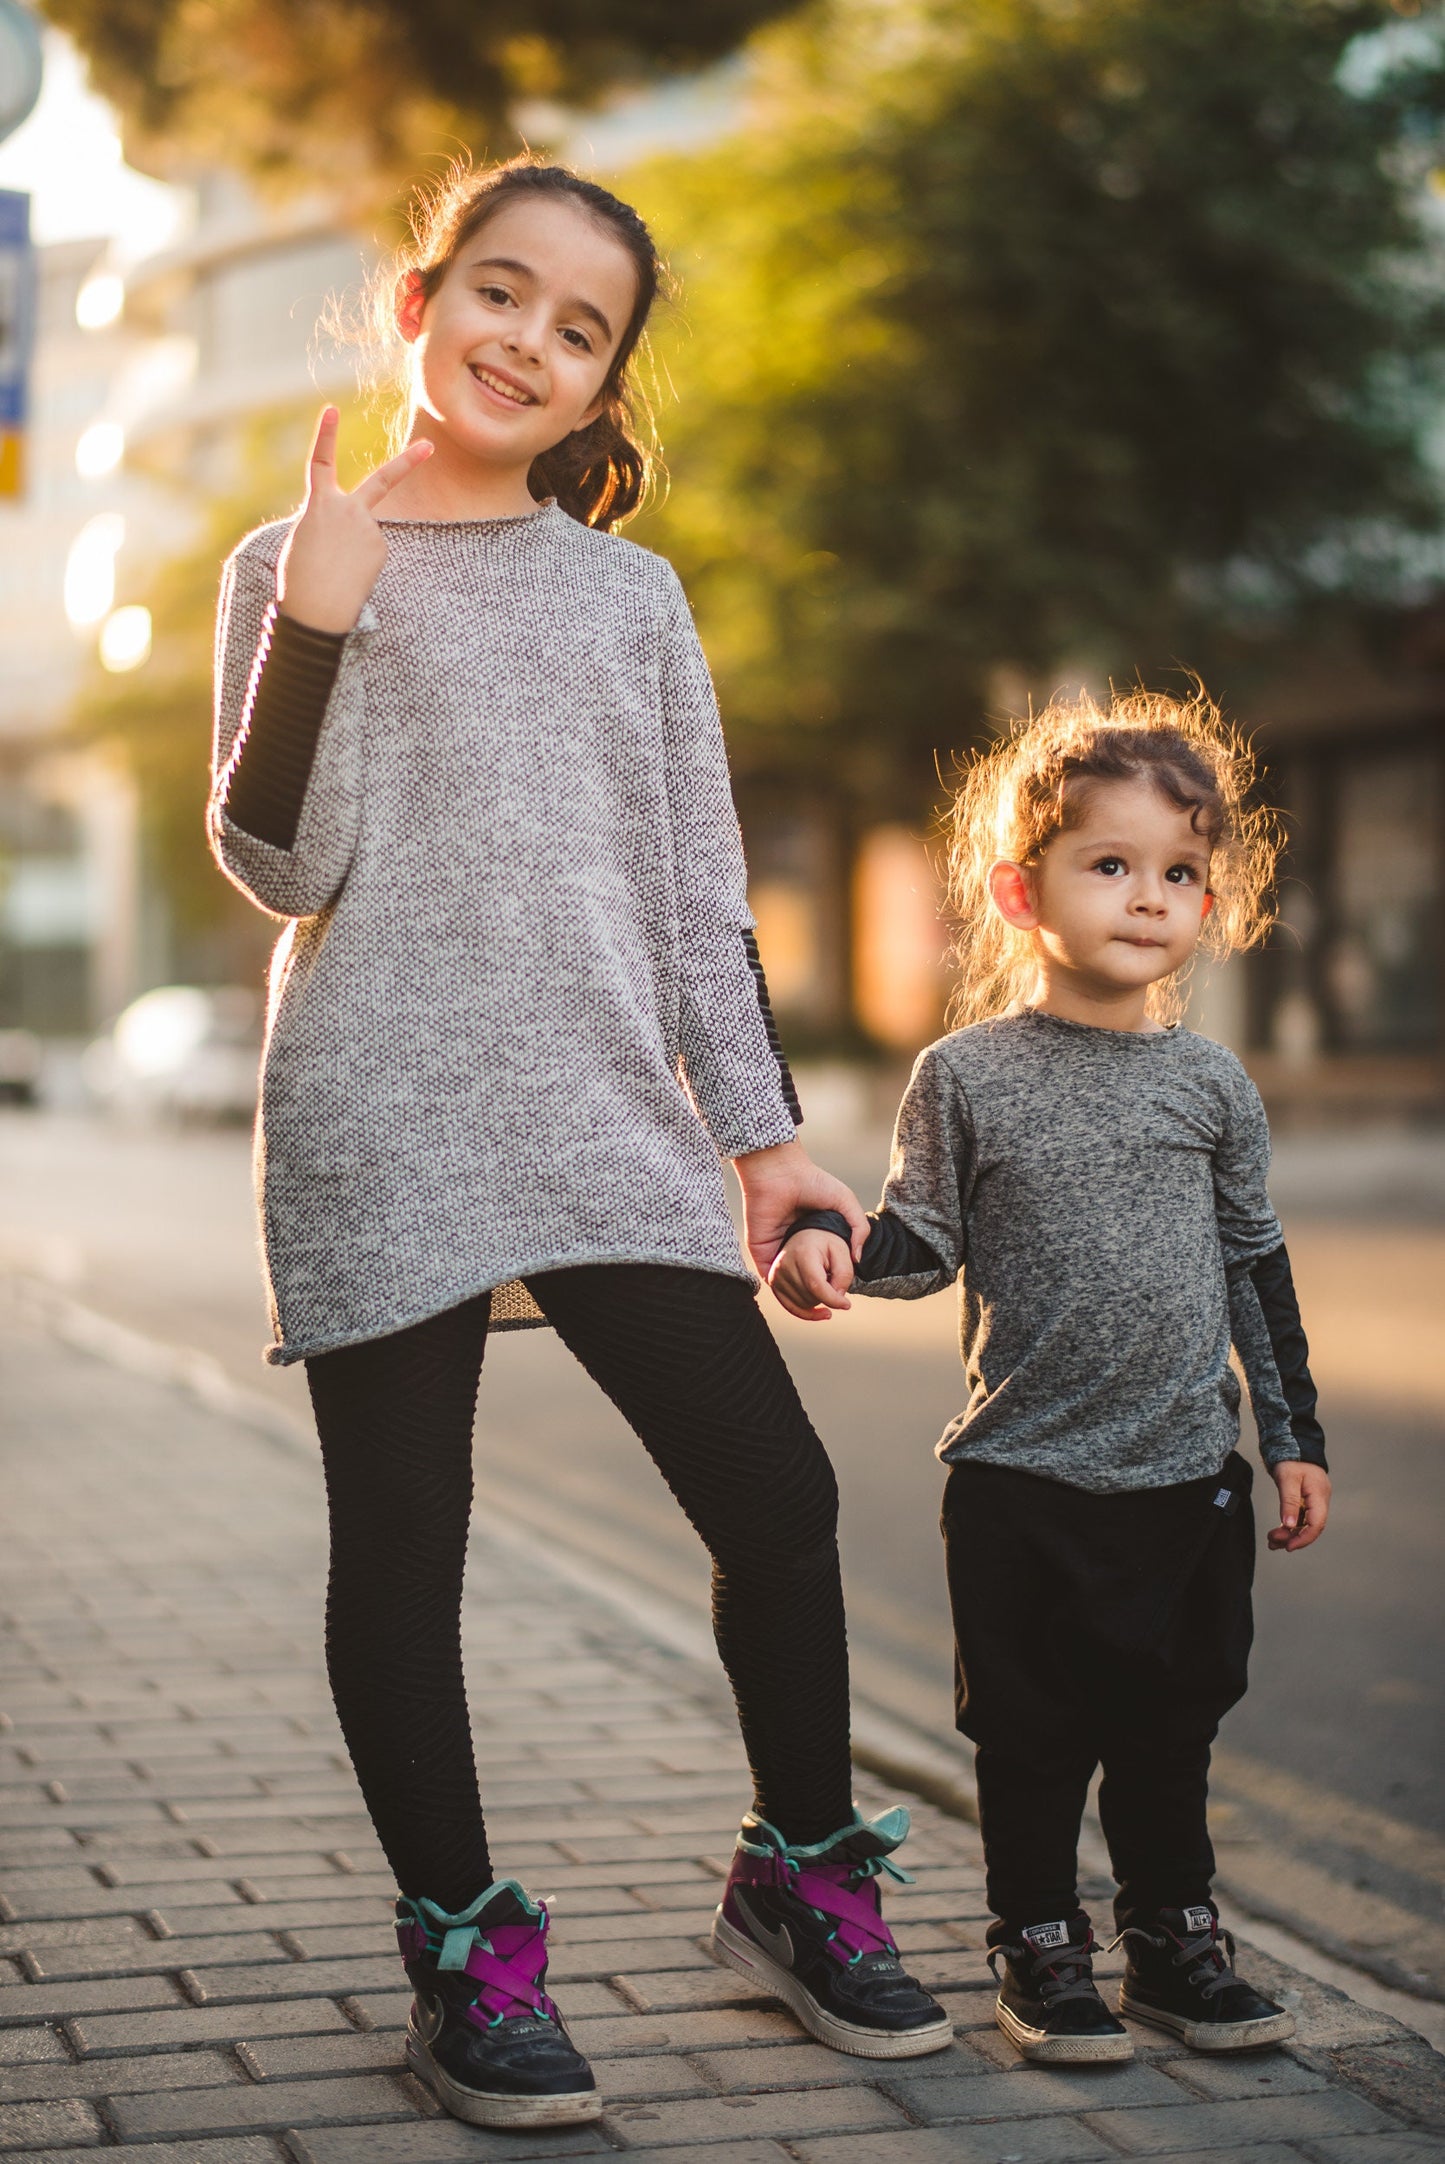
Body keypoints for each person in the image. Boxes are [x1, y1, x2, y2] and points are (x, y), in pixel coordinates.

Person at [207, 157, 953, 2132]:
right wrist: (320, 621)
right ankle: (463, 1951)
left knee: (777, 1497)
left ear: (607, 378)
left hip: (612, 1108)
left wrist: (767, 1142)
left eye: (580, 326)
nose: (527, 341)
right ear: (418, 303)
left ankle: (800, 1879)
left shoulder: (633, 598)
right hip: (379, 1111)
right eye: (501, 294)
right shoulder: (291, 558)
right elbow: (286, 863)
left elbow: (702, 894)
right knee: (407, 1544)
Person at [773, 690, 1330, 2066]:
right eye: (1112, 864)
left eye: (1179, 872)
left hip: (1182, 1482)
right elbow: (926, 1242)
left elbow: (1253, 1268)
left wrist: (1292, 1432)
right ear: (1022, 891)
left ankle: (1170, 1941)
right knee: (1029, 1744)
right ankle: (1037, 1950)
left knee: (1167, 1733)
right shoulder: (965, 1076)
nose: (1149, 897)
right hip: (1020, 1480)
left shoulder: (1211, 1088)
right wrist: (834, 1251)